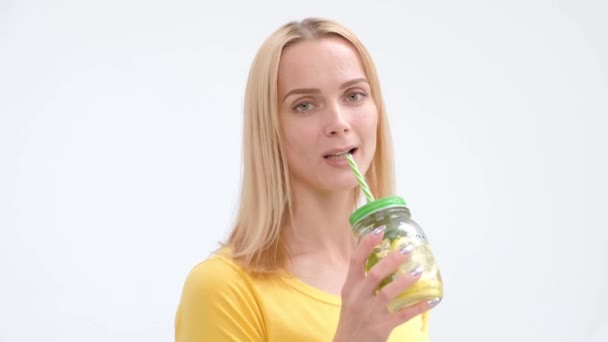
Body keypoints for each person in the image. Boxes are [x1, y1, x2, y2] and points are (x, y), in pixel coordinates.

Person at [175, 17, 438, 342]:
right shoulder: (222, 288)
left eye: (354, 96)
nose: (338, 122)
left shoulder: (394, 267)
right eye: (304, 105)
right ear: (269, 130)